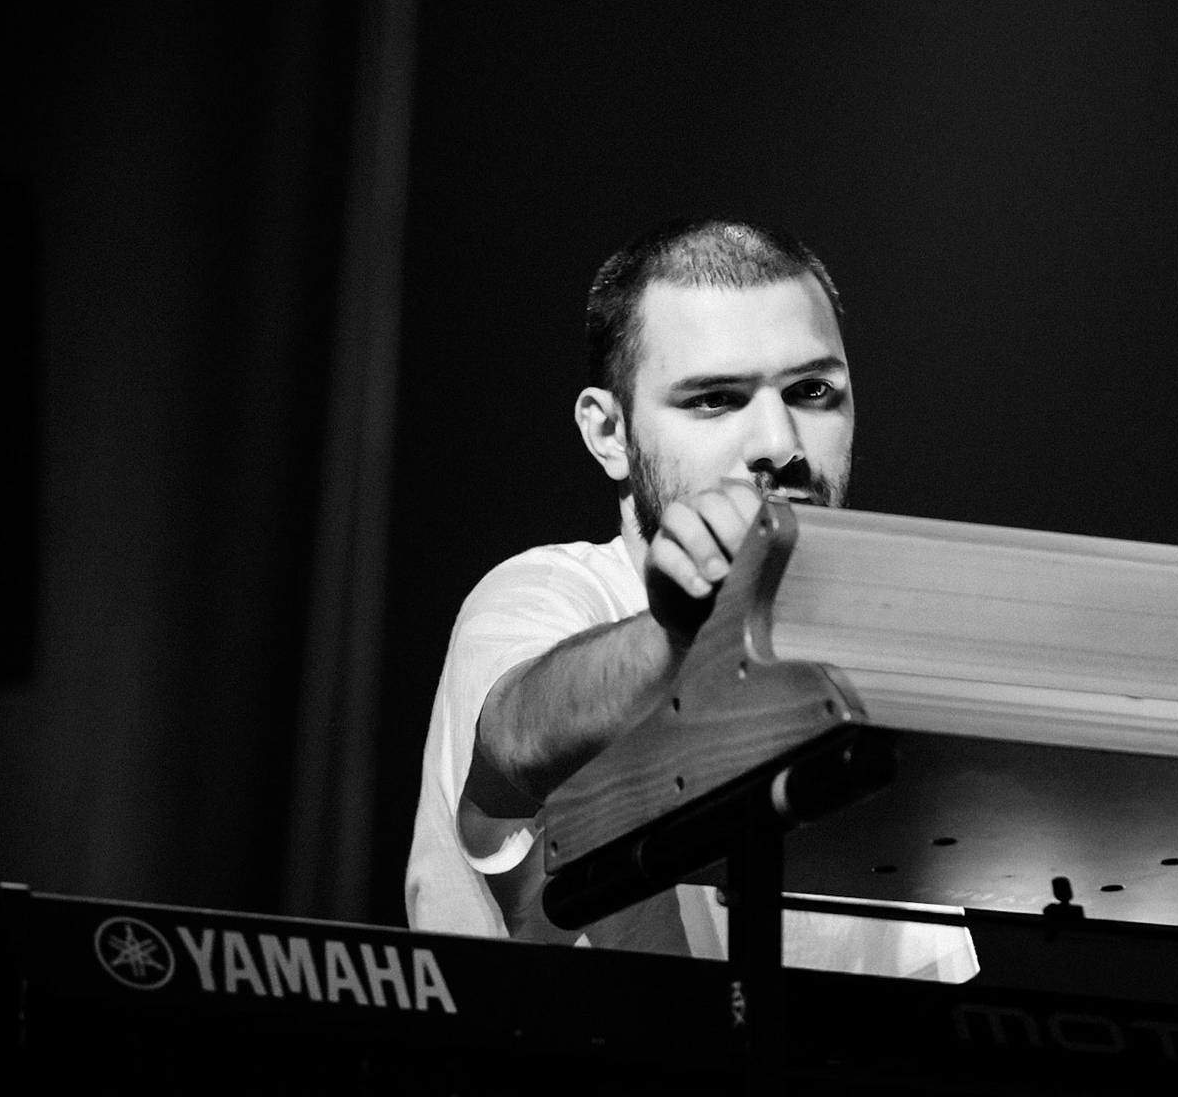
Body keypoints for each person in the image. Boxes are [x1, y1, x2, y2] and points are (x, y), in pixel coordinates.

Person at [406, 219, 977, 981]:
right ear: (608, 432)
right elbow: (516, 736)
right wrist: (681, 634)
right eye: (714, 400)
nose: (779, 441)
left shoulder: (890, 662)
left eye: (813, 392)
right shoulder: (545, 595)